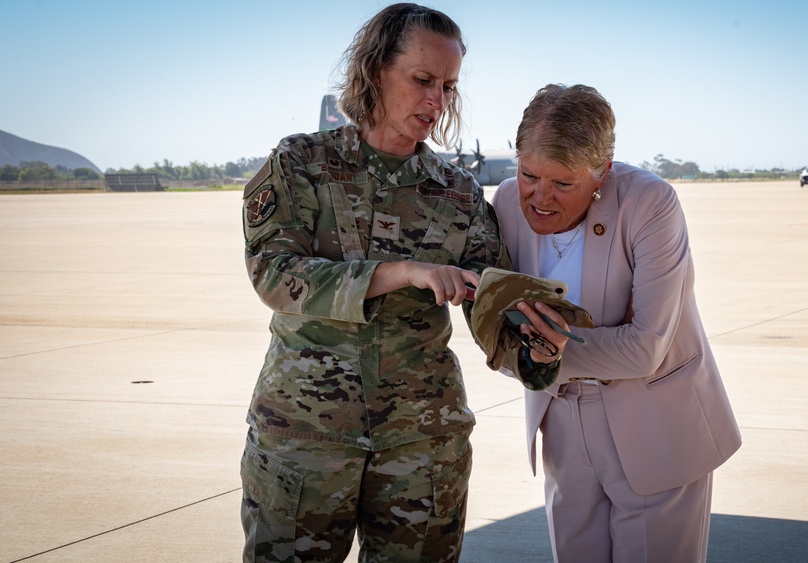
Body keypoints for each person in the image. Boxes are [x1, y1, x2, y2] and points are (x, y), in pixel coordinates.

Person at [238, 4, 507, 562]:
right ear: (374, 70)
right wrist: (403, 271)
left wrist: (535, 342)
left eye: (449, 87)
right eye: (423, 80)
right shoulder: (301, 163)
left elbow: (491, 297)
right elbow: (275, 275)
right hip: (306, 440)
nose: (437, 102)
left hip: (422, 445)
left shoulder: (457, 192)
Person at [491, 84, 742, 562]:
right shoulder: (505, 203)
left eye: (563, 184)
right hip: (560, 419)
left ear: (602, 172)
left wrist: (546, 345)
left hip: (657, 424)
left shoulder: (651, 203)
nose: (539, 198)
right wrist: (563, 344)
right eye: (528, 175)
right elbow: (497, 340)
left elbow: (644, 349)